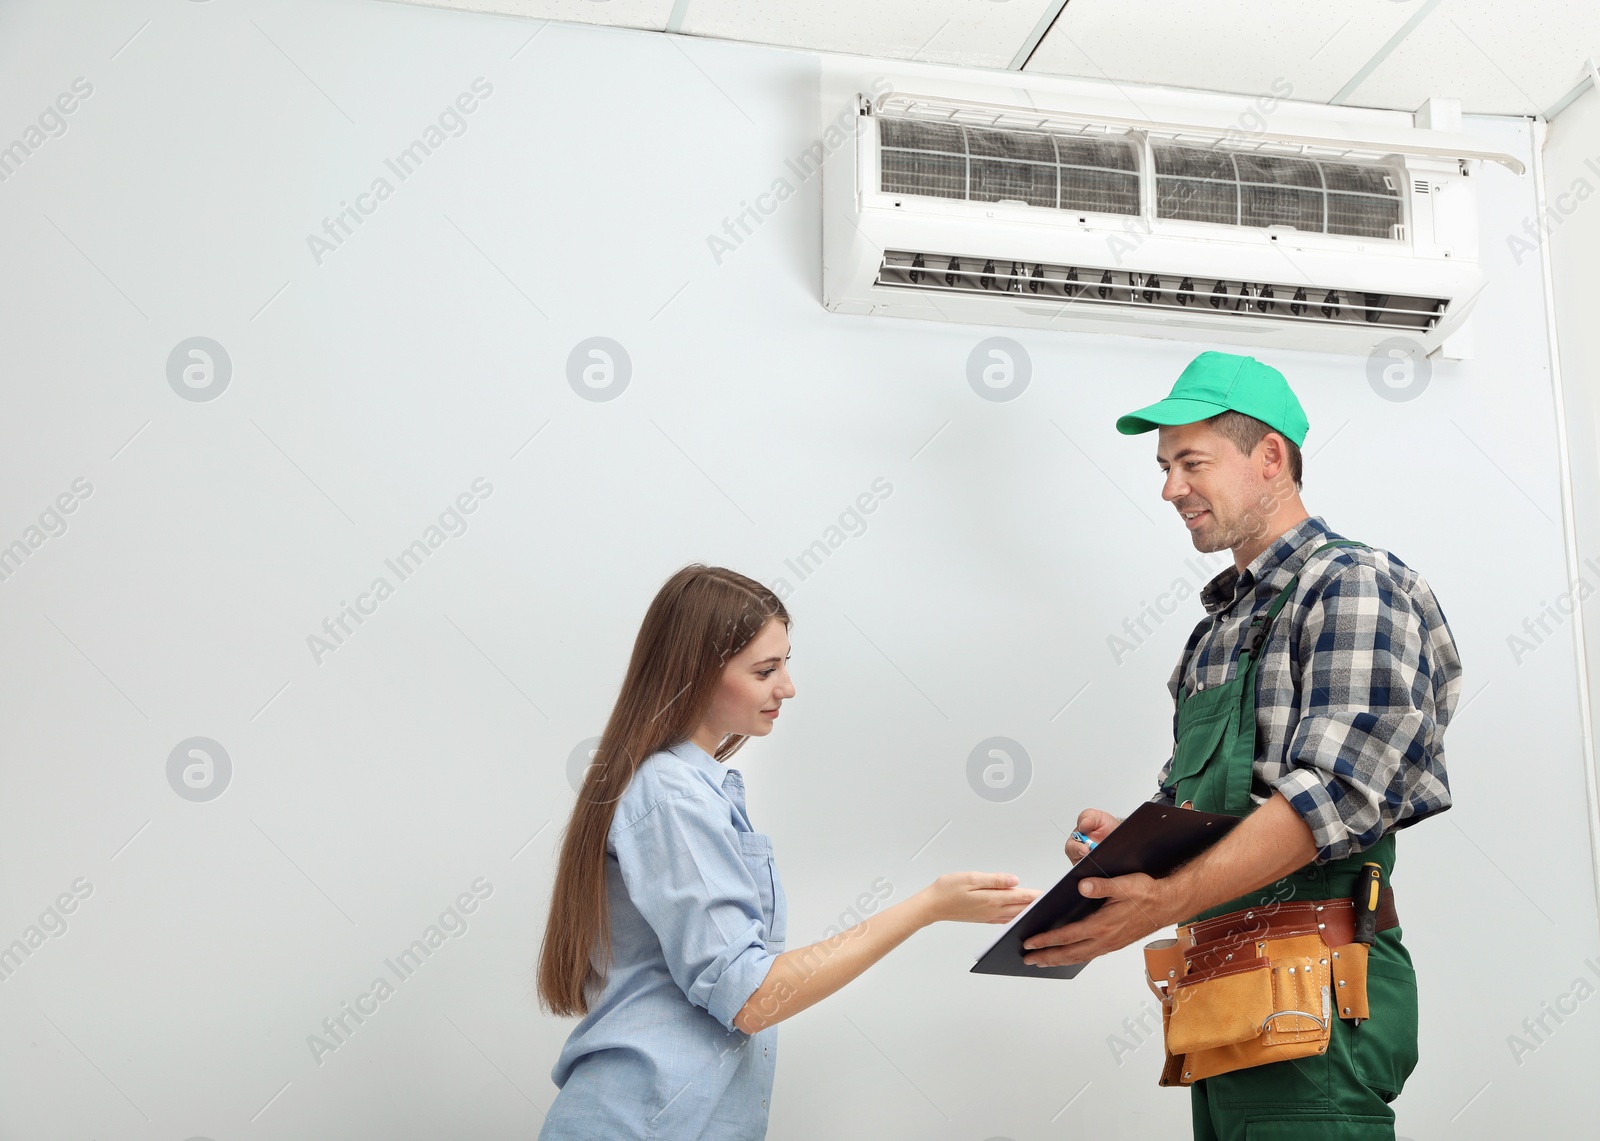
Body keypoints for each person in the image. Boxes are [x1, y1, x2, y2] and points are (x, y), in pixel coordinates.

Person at [1020, 352, 1462, 1140]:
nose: (1169, 488)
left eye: (1192, 462)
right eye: (1163, 466)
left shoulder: (1352, 584)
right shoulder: (1217, 630)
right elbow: (1209, 804)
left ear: (1270, 458)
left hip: (1314, 998)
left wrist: (1160, 902)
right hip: (1223, 1003)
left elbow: (1338, 795)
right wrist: (1130, 851)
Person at [536, 564, 1036, 1140]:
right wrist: (925, 907)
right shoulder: (671, 794)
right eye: (765, 670)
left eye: (786, 663)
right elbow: (751, 997)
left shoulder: (697, 788)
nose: (787, 687)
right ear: (695, 674)